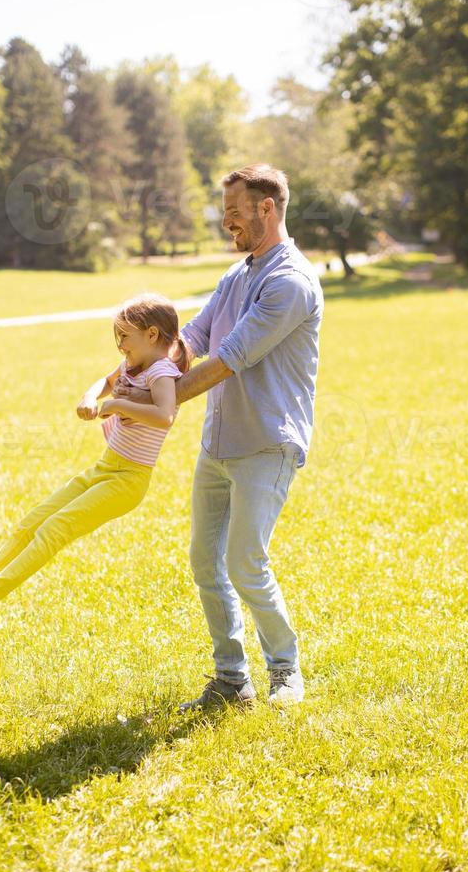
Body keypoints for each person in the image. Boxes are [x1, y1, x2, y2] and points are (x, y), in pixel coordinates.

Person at [114, 164, 324, 709]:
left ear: (267, 209)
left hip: (267, 442)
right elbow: (196, 338)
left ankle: (285, 671)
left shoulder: (290, 282)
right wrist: (141, 363)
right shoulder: (238, 274)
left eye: (235, 211)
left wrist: (151, 400)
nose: (226, 221)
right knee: (206, 562)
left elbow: (227, 360)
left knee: (245, 563)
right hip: (220, 441)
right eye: (224, 211)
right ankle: (232, 680)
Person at [0, 294, 188, 623]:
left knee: (56, 527)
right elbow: (106, 382)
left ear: (151, 335)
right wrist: (90, 396)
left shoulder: (160, 372)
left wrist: (117, 406)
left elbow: (164, 415)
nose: (120, 346)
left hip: (129, 480)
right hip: (106, 467)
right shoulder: (133, 365)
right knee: (33, 521)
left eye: (124, 337)